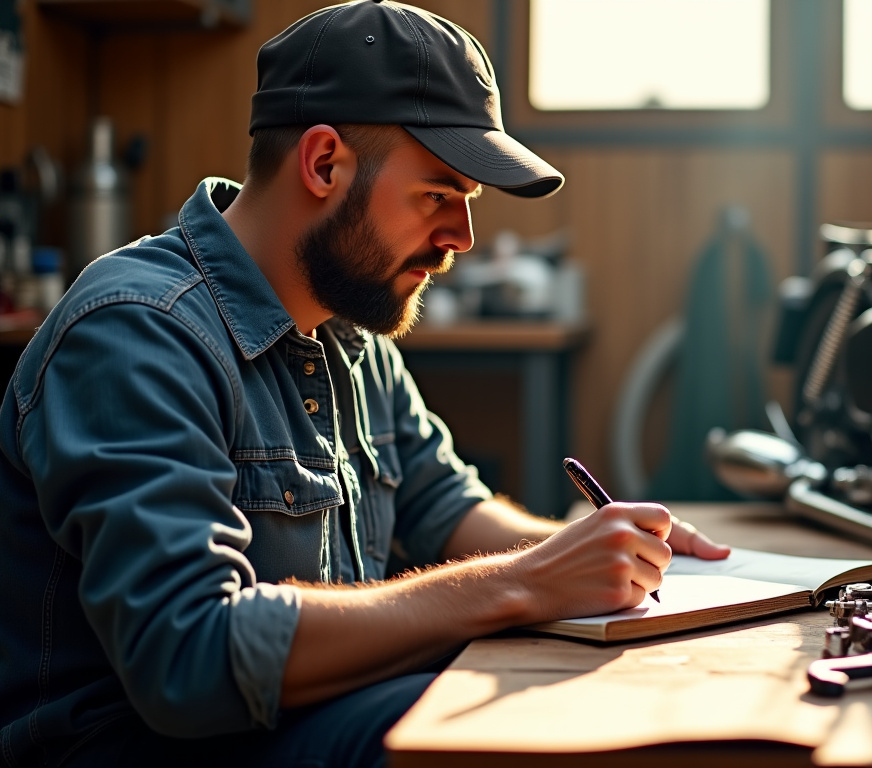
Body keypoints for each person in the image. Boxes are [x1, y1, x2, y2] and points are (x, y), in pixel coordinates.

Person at [0, 2, 730, 766]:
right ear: (323, 164)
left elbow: (444, 505)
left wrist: (601, 553)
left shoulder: (347, 325)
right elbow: (190, 658)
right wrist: (522, 584)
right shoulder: (136, 331)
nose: (461, 241)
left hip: (293, 722)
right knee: (500, 725)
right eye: (437, 195)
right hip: (144, 747)